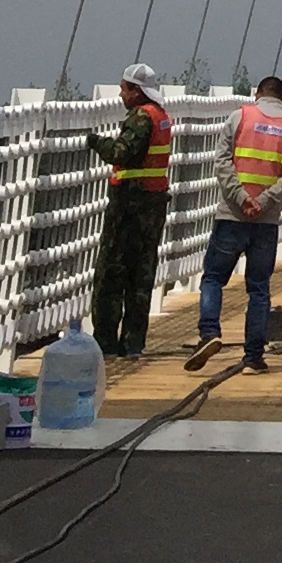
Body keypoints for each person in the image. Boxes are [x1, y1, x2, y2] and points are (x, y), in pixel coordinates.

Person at [185, 74, 282, 374]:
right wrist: (264, 201)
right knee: (259, 289)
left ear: (257, 94)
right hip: (266, 221)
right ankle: (254, 356)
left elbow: (222, 162)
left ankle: (210, 333)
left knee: (214, 278)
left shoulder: (240, 117)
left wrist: (242, 198)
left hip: (232, 215)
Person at [86, 62, 173, 360]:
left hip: (129, 205)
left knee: (111, 274)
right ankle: (133, 343)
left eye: (124, 89)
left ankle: (105, 343)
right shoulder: (161, 117)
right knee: (141, 275)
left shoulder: (140, 118)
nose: (121, 95)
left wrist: (96, 141)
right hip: (154, 202)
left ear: (136, 91)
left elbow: (121, 153)